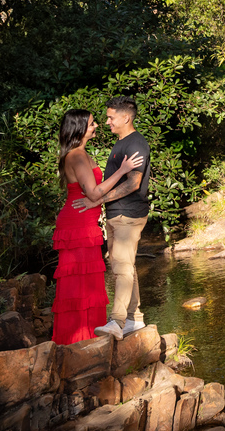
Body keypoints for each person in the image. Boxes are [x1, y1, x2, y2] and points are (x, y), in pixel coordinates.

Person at [51, 109, 143, 345]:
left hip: (86, 224)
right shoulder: (76, 156)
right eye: (92, 124)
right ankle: (76, 342)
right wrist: (123, 171)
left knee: (89, 285)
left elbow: (93, 193)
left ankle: (90, 338)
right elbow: (92, 192)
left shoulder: (81, 153)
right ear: (80, 128)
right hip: (77, 225)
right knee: (79, 285)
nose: (97, 126)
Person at [73, 95, 151, 341]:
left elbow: (133, 184)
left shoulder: (136, 143)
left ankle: (117, 322)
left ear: (125, 117)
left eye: (110, 117)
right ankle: (134, 320)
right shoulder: (122, 143)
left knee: (121, 267)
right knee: (125, 266)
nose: (107, 122)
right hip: (118, 214)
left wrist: (97, 200)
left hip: (129, 213)